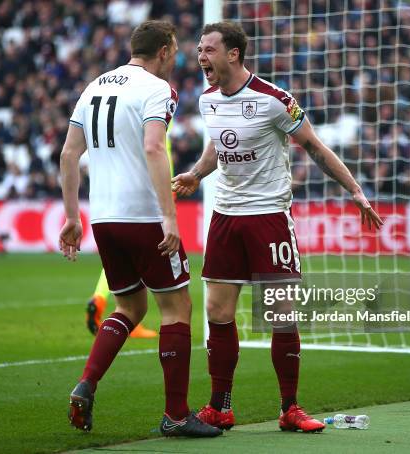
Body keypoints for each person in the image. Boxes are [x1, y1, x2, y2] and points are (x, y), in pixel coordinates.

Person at [172, 22, 383, 433]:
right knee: (217, 311)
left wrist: (355, 189)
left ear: (233, 54)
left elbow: (316, 148)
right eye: (199, 49)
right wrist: (197, 173)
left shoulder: (275, 100)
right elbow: (217, 147)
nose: (201, 57)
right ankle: (220, 406)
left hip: (268, 215)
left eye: (209, 50)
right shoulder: (207, 100)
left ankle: (290, 407)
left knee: (280, 313)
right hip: (225, 216)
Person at [58, 20, 222, 438]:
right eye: (176, 50)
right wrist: (169, 217)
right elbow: (153, 147)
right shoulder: (156, 88)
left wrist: (72, 217)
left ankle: (87, 382)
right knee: (177, 308)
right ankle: (177, 415)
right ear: (165, 50)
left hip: (104, 219)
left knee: (130, 308)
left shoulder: (93, 86)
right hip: (144, 216)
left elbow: (69, 154)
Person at [86, 122, 177, 339]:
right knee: (144, 257)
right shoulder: (156, 100)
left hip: (116, 192)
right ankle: (132, 321)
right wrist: (168, 189)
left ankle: (99, 297)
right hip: (151, 188)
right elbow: (159, 148)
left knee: (124, 257)